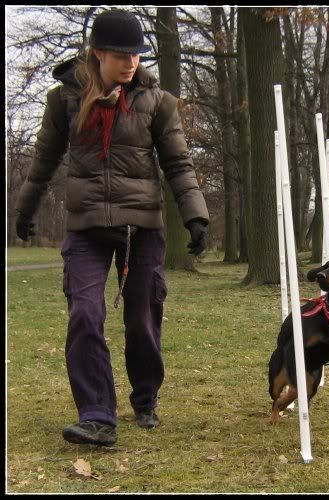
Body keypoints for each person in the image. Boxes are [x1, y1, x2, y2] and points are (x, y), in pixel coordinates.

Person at [15, 8, 209, 446]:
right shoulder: (63, 99)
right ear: (98, 53)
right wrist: (25, 211)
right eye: (122, 55)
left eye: (137, 54)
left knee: (142, 318)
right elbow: (43, 159)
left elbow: (178, 163)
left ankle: (145, 397)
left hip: (142, 226)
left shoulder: (158, 101)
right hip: (86, 225)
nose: (131, 62)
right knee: (85, 313)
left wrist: (195, 215)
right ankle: (97, 415)